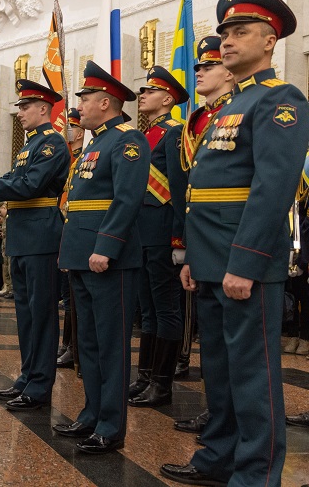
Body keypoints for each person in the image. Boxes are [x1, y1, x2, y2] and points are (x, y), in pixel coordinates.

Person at [161, 0, 309, 486]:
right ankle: (218, 457)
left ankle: (254, 475)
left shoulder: (279, 99)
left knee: (252, 377)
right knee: (219, 375)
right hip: (210, 261)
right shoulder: (225, 108)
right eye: (224, 32)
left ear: (269, 42)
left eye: (240, 31)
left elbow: (273, 189)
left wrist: (244, 262)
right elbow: (202, 193)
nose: (226, 41)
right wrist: (192, 259)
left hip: (244, 262)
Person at [54, 61, 150, 454]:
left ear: (106, 102)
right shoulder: (96, 143)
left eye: (85, 100)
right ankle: (92, 414)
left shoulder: (128, 141)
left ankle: (111, 426)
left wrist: (104, 248)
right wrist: (73, 253)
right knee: (88, 344)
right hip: (82, 256)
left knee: (111, 345)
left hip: (107, 258)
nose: (78, 108)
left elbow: (127, 200)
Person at [0, 79, 69, 410]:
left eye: (25, 106)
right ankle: (27, 376)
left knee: (41, 314)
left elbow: (29, 186)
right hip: (24, 236)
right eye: (19, 106)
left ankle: (39, 385)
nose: (19, 112)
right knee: (26, 313)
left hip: (40, 235)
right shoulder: (29, 146)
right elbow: (11, 181)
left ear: (43, 109)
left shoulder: (52, 144)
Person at [170, 35, 236, 434]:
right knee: (212, 347)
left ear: (228, 72)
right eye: (196, 68)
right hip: (205, 244)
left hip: (232, 244)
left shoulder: (240, 110)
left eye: (206, 67)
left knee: (236, 351)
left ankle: (231, 428)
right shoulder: (199, 118)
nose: (198, 73)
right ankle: (218, 417)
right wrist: (189, 247)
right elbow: (192, 190)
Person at [127, 66, 190, 408]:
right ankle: (145, 376)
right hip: (142, 231)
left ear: (167, 99)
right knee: (147, 309)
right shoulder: (144, 135)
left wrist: (180, 238)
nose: (142, 96)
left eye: (149, 92)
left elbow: (179, 190)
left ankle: (163, 384)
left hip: (164, 230)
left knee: (166, 307)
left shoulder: (176, 133)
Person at [58, 108, 86, 368]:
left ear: (79, 132)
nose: (65, 132)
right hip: (65, 229)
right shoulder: (69, 160)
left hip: (76, 230)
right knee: (68, 296)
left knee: (73, 298)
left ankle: (73, 347)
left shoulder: (81, 159)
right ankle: (67, 345)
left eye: (69, 128)